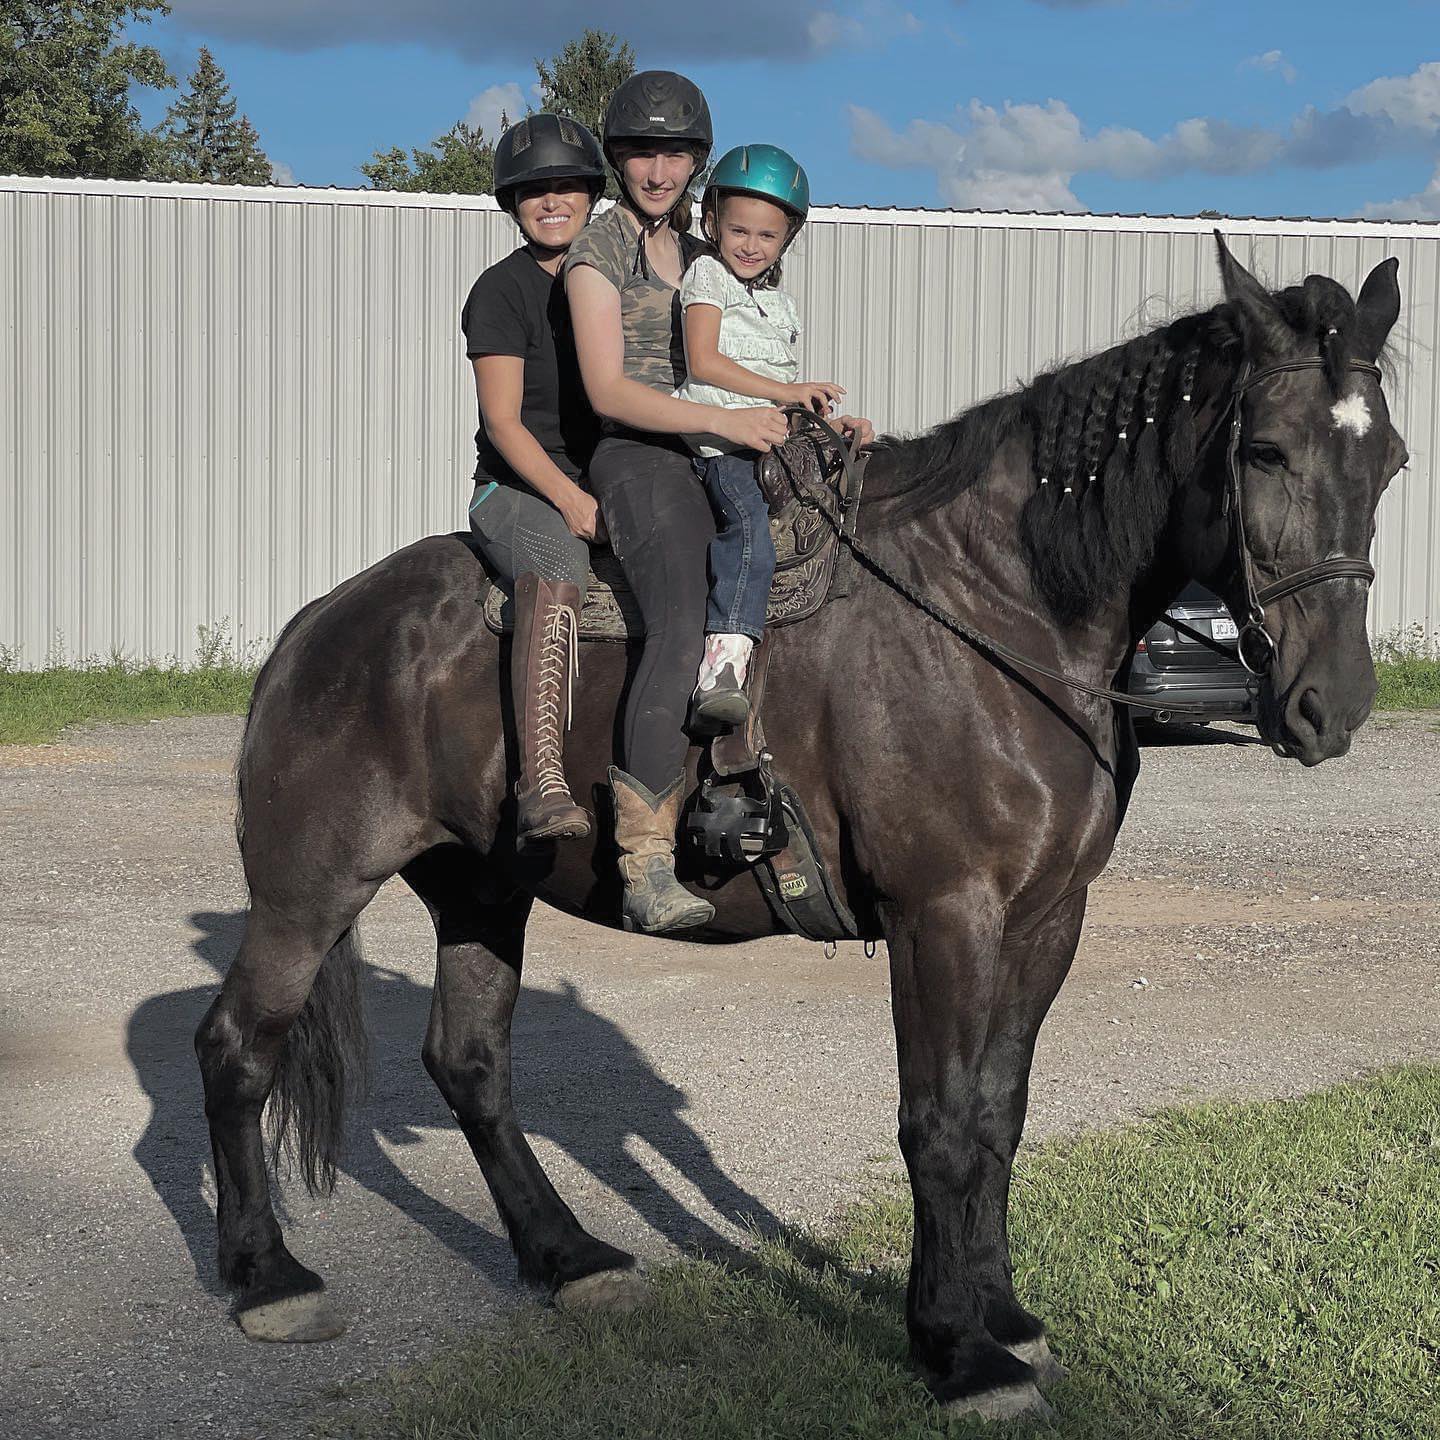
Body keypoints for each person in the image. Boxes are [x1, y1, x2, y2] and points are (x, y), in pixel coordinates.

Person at [564, 71, 792, 934]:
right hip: (637, 453)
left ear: (697, 162)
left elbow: (744, 356)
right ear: (616, 157)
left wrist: (802, 409)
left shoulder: (704, 257)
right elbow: (607, 390)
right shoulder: (600, 252)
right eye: (640, 152)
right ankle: (646, 860)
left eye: (675, 154)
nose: (657, 170)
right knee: (679, 619)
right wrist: (720, 418)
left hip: (712, 442)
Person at [674, 143, 870, 728]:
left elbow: (777, 389)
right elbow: (704, 362)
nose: (750, 246)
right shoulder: (706, 275)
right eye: (738, 230)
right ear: (711, 221)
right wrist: (788, 393)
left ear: (786, 240)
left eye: (766, 236)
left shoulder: (778, 305)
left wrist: (828, 428)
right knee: (749, 531)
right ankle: (723, 664)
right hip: (721, 447)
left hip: (771, 438)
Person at [461, 113, 606, 848]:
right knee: (559, 565)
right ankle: (541, 781)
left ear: (590, 194)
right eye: (534, 191)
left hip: (608, 482)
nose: (552, 202)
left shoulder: (616, 280)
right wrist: (573, 499)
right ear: (514, 205)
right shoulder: (502, 291)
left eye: (566, 188)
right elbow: (505, 425)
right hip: (515, 491)